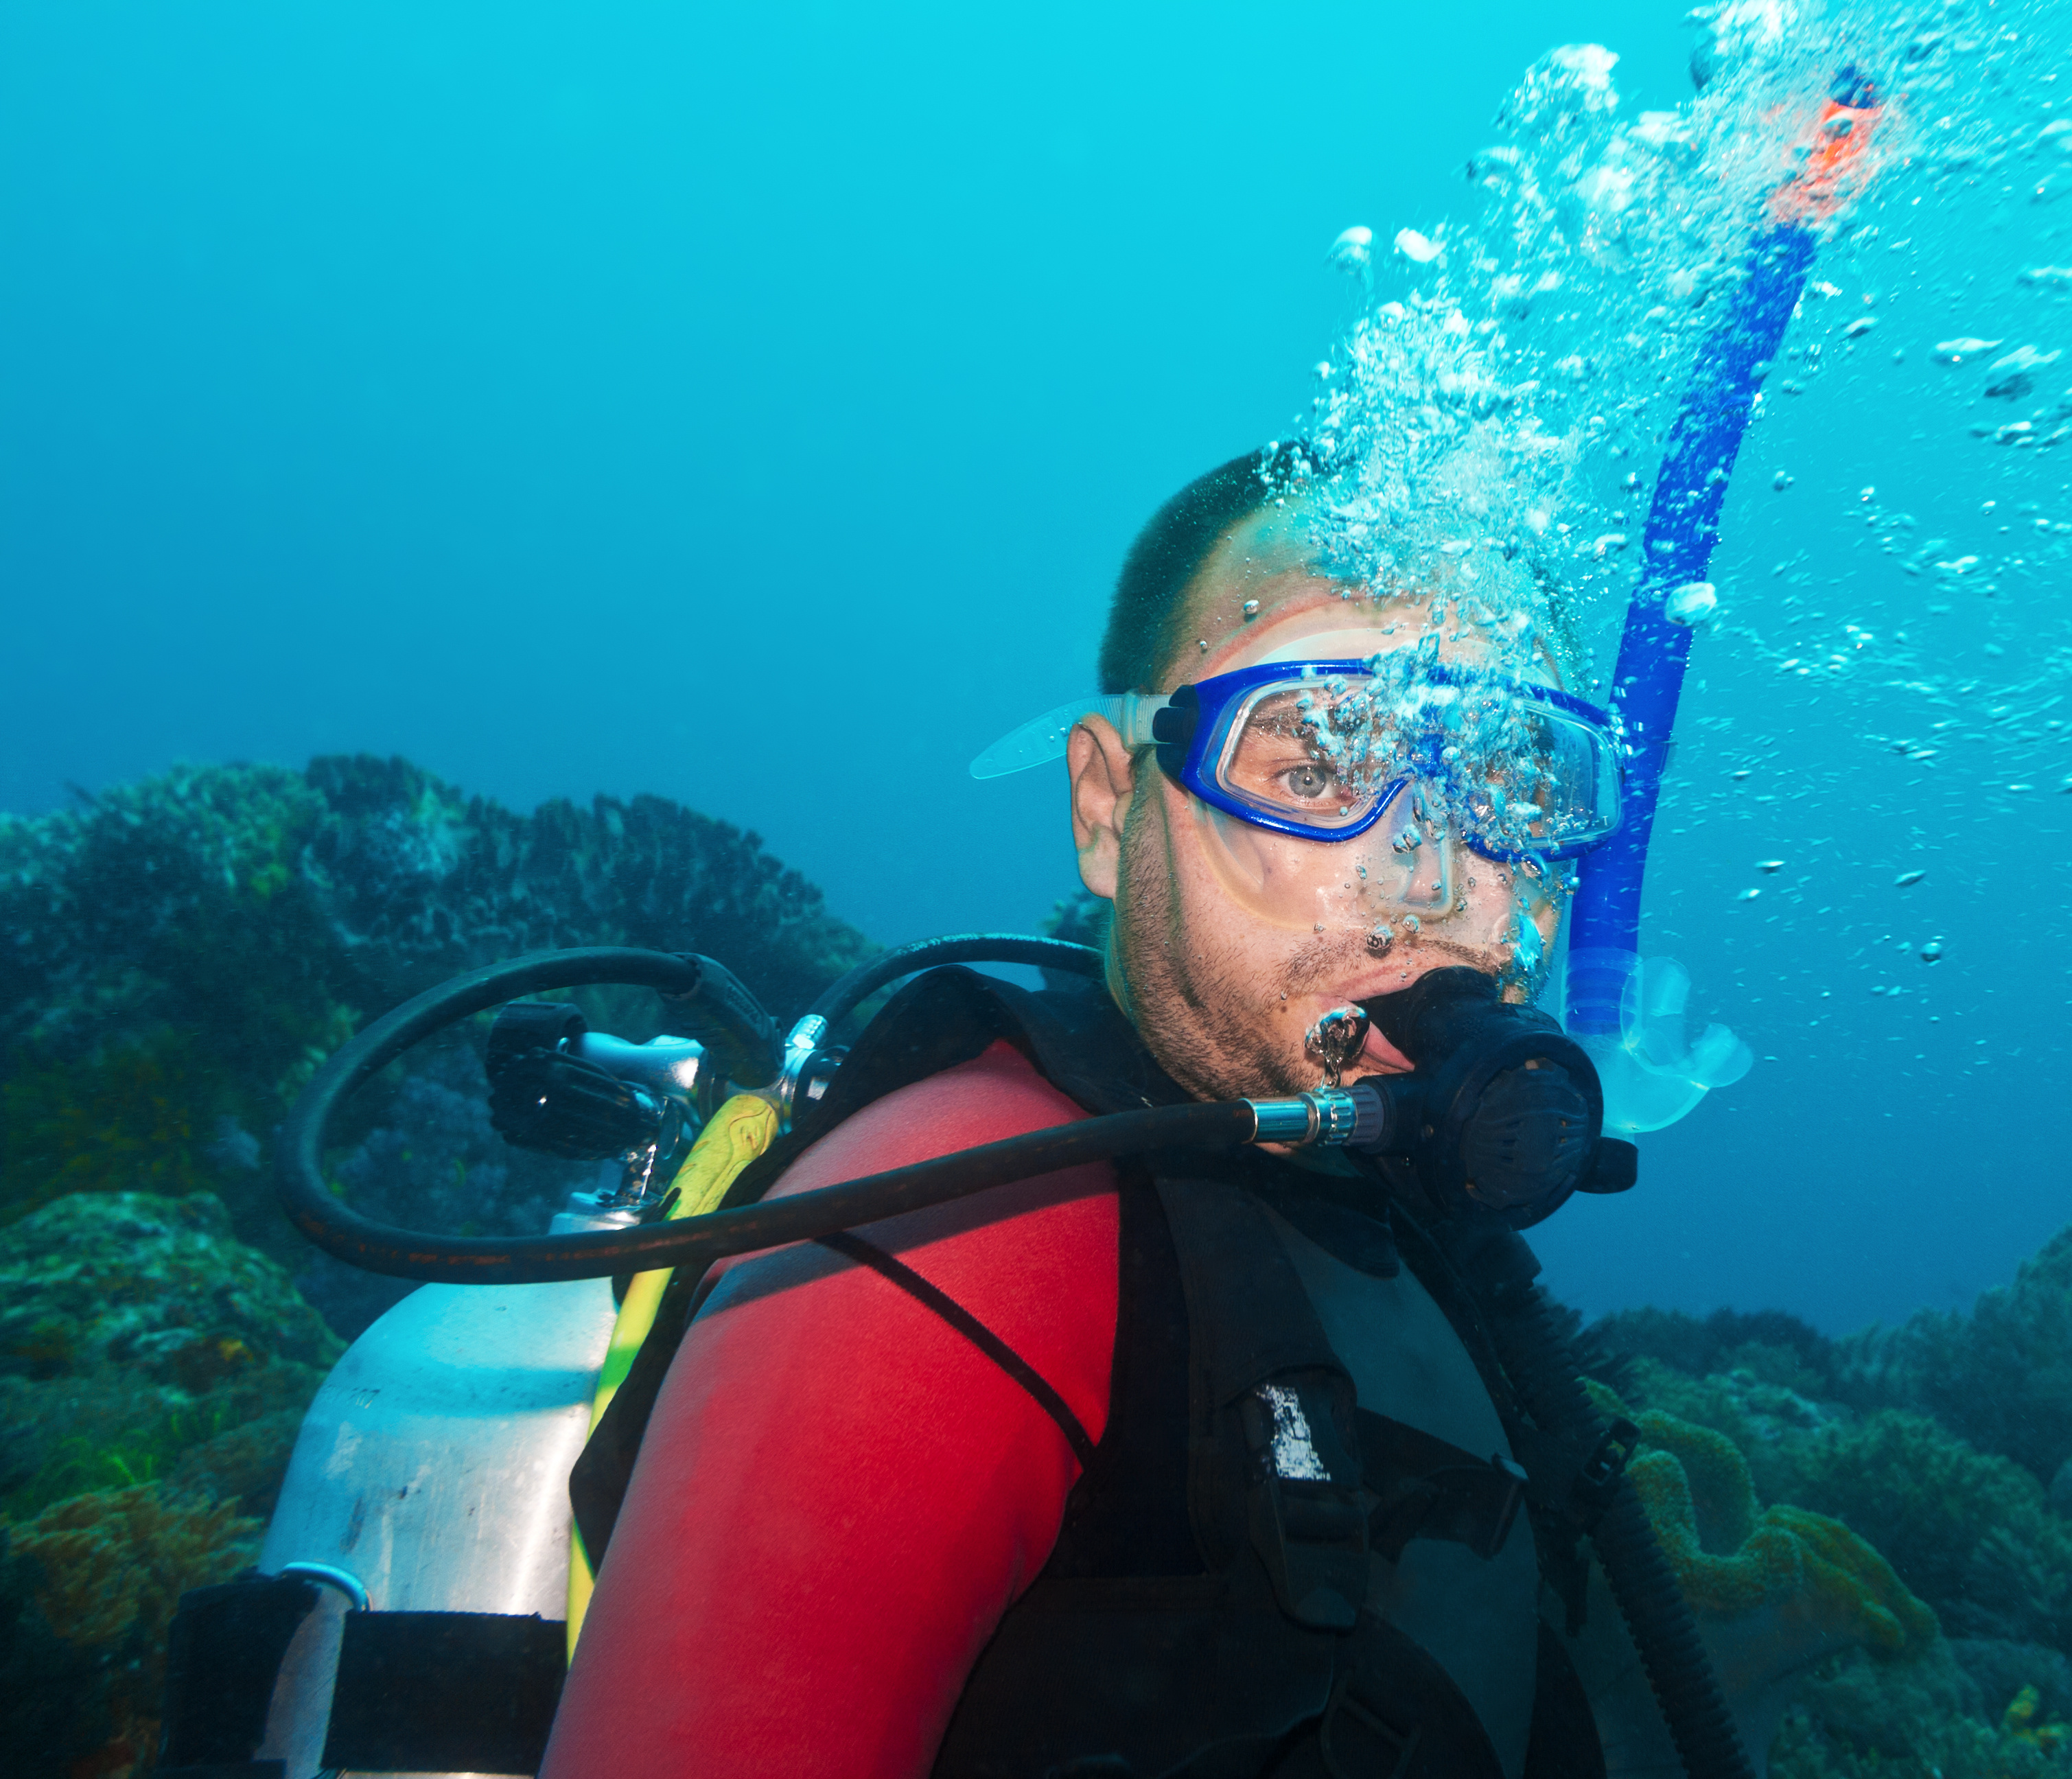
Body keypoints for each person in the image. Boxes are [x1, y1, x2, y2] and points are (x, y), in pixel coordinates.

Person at [542, 445, 1638, 1779]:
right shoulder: (961, 1221)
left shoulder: (1388, 1214)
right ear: (1111, 804)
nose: (1436, 878)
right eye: (1312, 762)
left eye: (1519, 780)